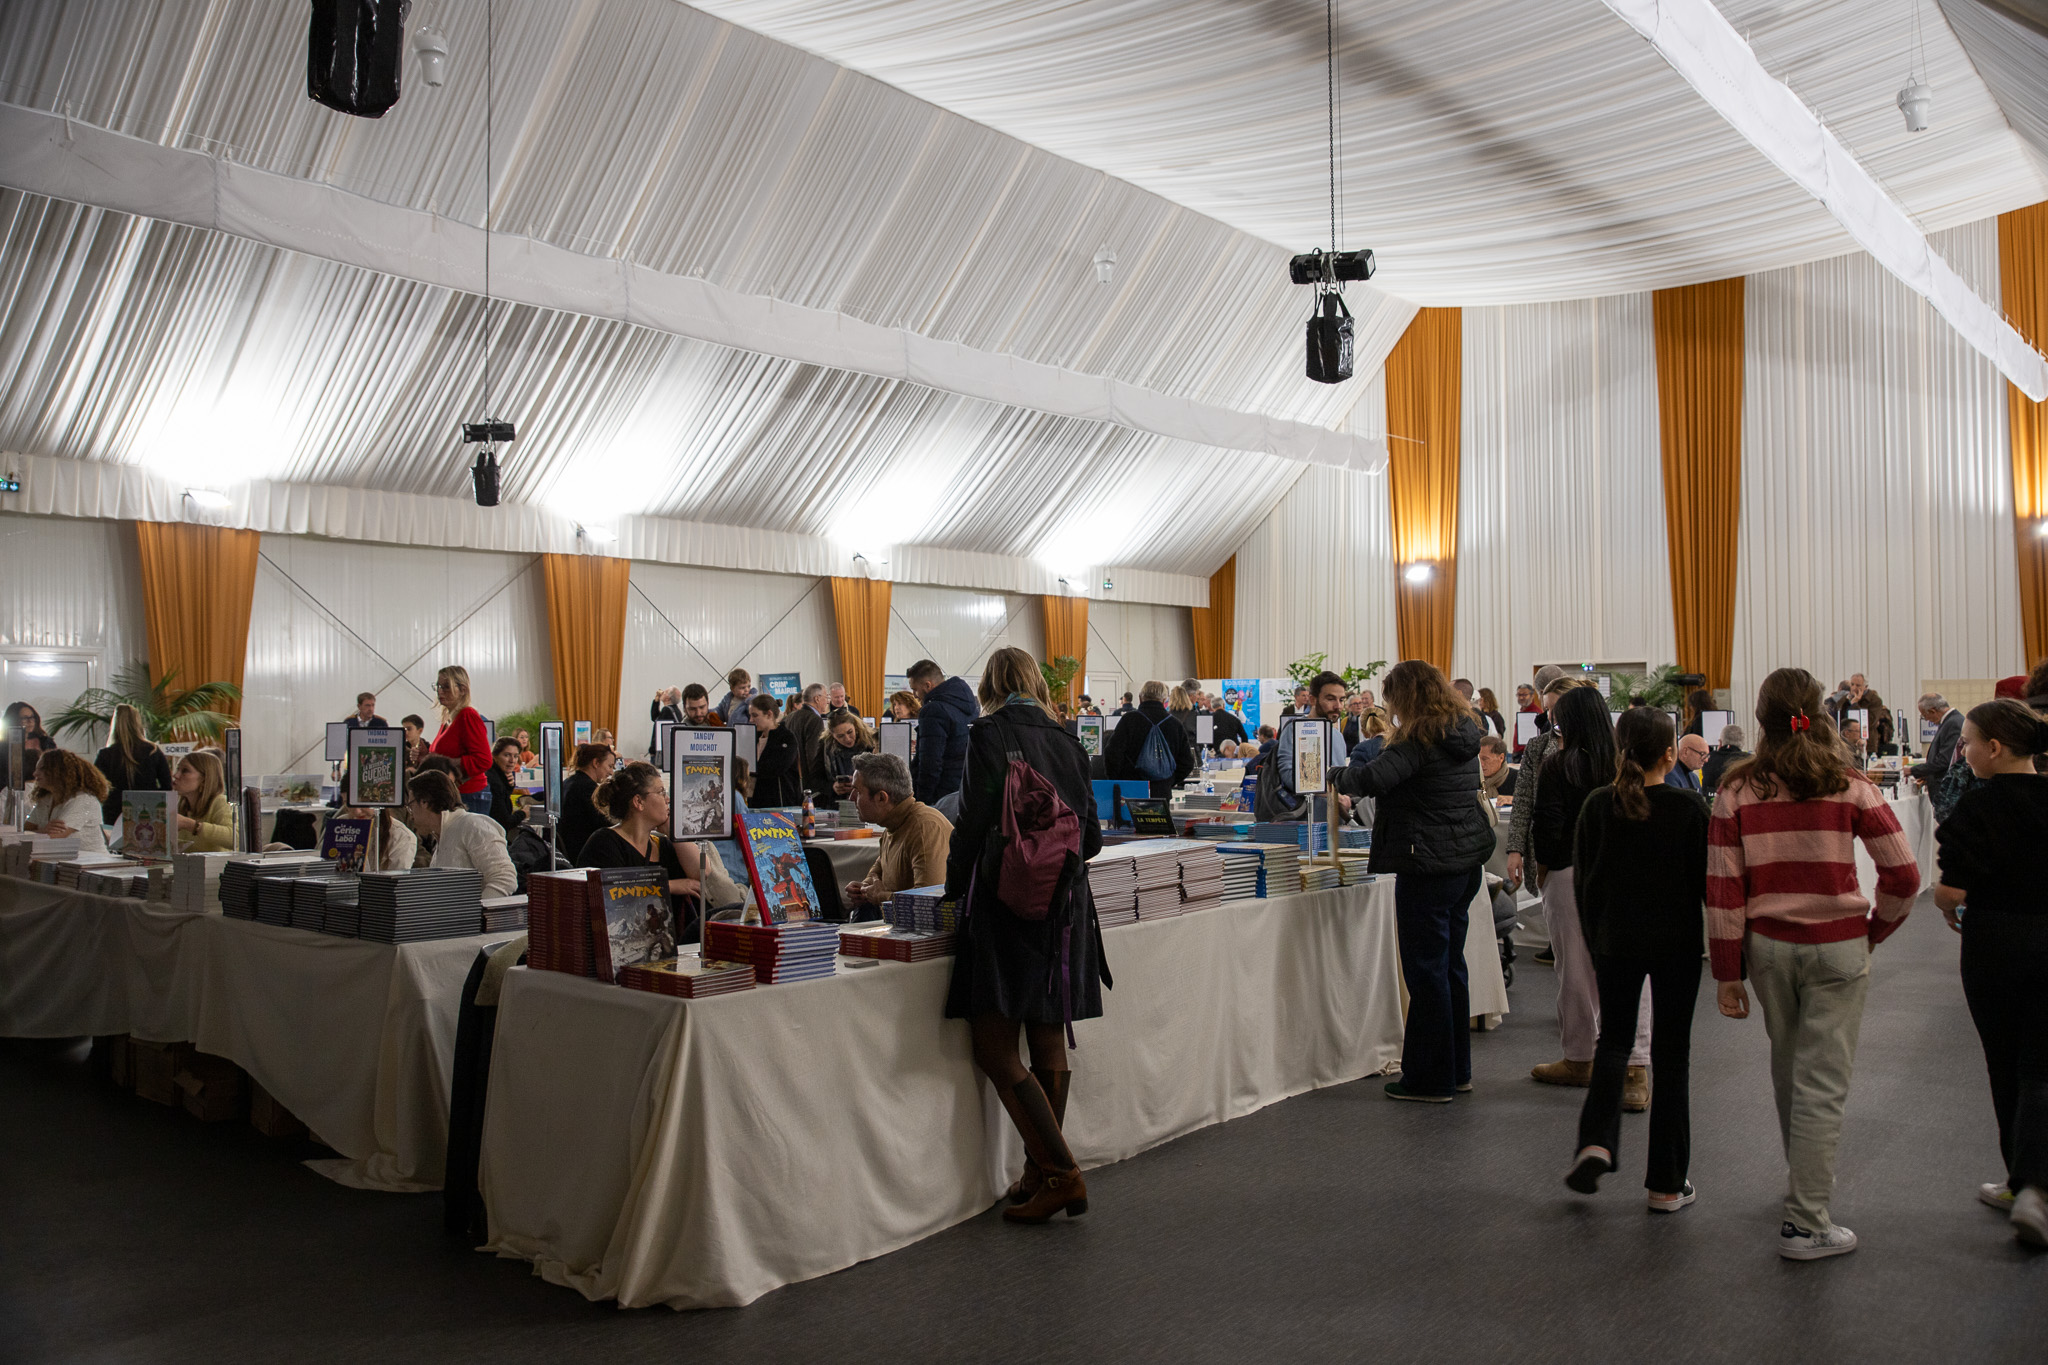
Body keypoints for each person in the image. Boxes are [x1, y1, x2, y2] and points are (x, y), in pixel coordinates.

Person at [1709, 667, 1919, 1261]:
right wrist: (1875, 930)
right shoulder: (1851, 785)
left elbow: (1724, 889)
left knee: (1788, 1066)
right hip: (1840, 945)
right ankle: (1806, 1222)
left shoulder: (1736, 790)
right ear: (1819, 715)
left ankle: (1800, 1186)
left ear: (1760, 718)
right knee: (1824, 1080)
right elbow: (1903, 873)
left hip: (1769, 950)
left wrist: (1727, 972)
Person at [943, 646, 1104, 1223]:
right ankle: (1041, 1172)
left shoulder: (988, 734)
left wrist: (952, 887)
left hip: (1008, 901)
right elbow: (1092, 838)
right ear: (1036, 682)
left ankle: (1061, 1173)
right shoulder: (1068, 739)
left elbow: (973, 822)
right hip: (1066, 902)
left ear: (989, 683)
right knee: (1047, 1038)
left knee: (993, 1046)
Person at [1564, 708, 1708, 1210]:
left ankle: (1596, 1142)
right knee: (1672, 1057)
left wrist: (1595, 940)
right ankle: (1666, 1184)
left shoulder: (1597, 807)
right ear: (1671, 753)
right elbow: (1707, 886)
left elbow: (1585, 887)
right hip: (1676, 945)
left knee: (1613, 1044)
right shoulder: (1690, 809)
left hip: (1614, 943)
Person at [1332, 660, 1492, 1101]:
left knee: (1425, 974)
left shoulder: (1419, 738)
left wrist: (1336, 776)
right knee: (1450, 967)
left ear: (1406, 697)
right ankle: (1457, 1070)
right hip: (1463, 864)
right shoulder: (1462, 730)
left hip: (1426, 865)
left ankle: (1429, 1078)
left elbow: (1371, 779)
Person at [1933, 699, 2048, 1246]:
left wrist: (1946, 904)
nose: (1965, 749)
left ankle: (2022, 1180)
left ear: (1994, 749)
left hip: (1995, 944)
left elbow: (1951, 891)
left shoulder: (1976, 809)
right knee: (2041, 1063)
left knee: (2004, 1061)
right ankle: (2034, 1184)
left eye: (1969, 741)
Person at [1533, 684, 1654, 1108]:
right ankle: (1635, 1069)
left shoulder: (1558, 765)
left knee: (1575, 971)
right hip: (1625, 875)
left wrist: (1543, 870)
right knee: (1630, 972)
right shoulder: (1630, 765)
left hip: (1569, 873)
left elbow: (1546, 828)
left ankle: (1580, 1056)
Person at [577, 759, 705, 943]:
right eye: (661, 792)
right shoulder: (604, 843)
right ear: (639, 802)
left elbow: (702, 871)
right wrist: (671, 886)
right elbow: (614, 896)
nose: (667, 799)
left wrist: (673, 833)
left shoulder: (661, 844)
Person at [844, 752, 952, 908]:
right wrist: (865, 887)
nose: (851, 798)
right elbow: (879, 870)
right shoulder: (893, 823)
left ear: (882, 798)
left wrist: (881, 897)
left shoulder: (924, 828)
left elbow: (930, 901)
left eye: (858, 792)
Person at [1505, 666, 1573, 895]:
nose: (1551, 716)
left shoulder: (1594, 748)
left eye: (1556, 708)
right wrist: (1515, 849)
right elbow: (1523, 800)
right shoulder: (1538, 746)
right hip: (1543, 851)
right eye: (1547, 709)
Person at [404, 770, 517, 897]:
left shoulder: (473, 825)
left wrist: (476, 914)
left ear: (424, 802)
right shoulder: (442, 837)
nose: (410, 814)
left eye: (410, 805)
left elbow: (505, 879)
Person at [1271, 672, 1350, 818]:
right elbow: (1289, 775)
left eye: (1341, 700)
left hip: (1335, 822)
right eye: (1330, 699)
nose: (1338, 706)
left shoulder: (1338, 736)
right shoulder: (1295, 729)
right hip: (1305, 820)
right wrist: (1327, 793)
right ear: (1313, 700)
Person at [1104, 680, 1195, 800]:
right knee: (1157, 819)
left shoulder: (1129, 721)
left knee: (1129, 818)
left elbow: (1112, 754)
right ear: (1164, 700)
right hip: (1161, 792)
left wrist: (1120, 779)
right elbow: (1187, 762)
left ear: (1140, 697)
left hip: (1130, 790)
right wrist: (1169, 781)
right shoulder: (1174, 724)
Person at [92, 703, 172, 825]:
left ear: (115, 724)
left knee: (117, 844)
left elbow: (95, 787)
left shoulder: (105, 754)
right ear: (137, 722)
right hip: (148, 810)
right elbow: (167, 786)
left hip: (114, 813)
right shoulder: (153, 751)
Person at [908, 658, 976, 805]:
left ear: (927, 685)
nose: (914, 695)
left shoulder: (933, 710)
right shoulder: (970, 705)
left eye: (915, 689)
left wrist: (921, 801)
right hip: (965, 788)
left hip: (940, 794)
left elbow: (930, 762)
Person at [428, 666, 493, 815]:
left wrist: (448, 764)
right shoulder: (449, 719)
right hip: (455, 792)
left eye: (446, 687)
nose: (440, 691)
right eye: (438, 686)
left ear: (462, 689)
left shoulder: (468, 715)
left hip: (469, 794)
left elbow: (484, 760)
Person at [25, 749, 111, 854]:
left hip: (90, 864)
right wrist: (42, 831)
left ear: (59, 771)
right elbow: (25, 829)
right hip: (62, 861)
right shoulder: (47, 799)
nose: (35, 774)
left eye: (42, 769)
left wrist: (35, 833)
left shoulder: (83, 800)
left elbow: (56, 837)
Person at [558, 742, 616, 860]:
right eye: (610, 766)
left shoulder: (569, 782)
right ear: (596, 763)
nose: (611, 772)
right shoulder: (588, 789)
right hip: (582, 852)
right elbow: (604, 823)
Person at [746, 692, 805, 807]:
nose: (751, 720)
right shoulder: (753, 738)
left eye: (755, 715)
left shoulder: (787, 738)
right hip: (757, 801)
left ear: (769, 714)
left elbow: (775, 768)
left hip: (781, 802)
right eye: (750, 716)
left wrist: (750, 769)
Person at [170, 750, 234, 852]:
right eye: (178, 769)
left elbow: (235, 839)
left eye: (185, 771)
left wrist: (191, 825)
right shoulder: (180, 805)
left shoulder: (221, 802)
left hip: (216, 866)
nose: (175, 775)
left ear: (204, 779)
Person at [812, 709, 874, 803]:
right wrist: (832, 786)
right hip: (837, 803)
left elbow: (882, 778)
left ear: (856, 727)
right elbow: (815, 778)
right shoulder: (826, 746)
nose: (847, 739)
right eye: (840, 736)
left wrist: (861, 785)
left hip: (867, 801)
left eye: (850, 732)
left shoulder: (871, 743)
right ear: (833, 735)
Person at [1908, 692, 1963, 790]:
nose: (1927, 719)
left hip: (1946, 787)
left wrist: (1912, 770)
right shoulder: (1950, 721)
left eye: (1925, 715)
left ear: (1932, 711)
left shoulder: (1953, 723)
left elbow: (1945, 760)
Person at [344, 805, 417, 871]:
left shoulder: (401, 836)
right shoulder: (340, 825)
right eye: (349, 804)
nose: (357, 811)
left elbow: (394, 881)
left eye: (364, 804)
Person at [785, 684, 831, 791]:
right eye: (826, 697)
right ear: (817, 699)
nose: (827, 702)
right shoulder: (814, 720)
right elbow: (813, 755)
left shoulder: (789, 717)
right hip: (808, 783)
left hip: (792, 779)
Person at [486, 736, 524, 830]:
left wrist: (508, 786)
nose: (512, 761)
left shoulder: (496, 775)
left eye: (515, 756)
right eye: (507, 755)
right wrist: (524, 813)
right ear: (495, 756)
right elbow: (505, 822)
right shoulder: (494, 781)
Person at [1701, 725, 1749, 797]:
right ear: (1742, 744)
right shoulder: (1749, 761)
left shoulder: (1707, 759)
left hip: (1711, 804)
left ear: (1720, 743)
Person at [1479, 732, 1516, 801]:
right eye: (1478, 759)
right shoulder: (1473, 781)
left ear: (1501, 758)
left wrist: (1515, 800)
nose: (1481, 764)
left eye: (1485, 759)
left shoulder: (1517, 779)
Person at [648, 687, 683, 759]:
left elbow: (659, 729)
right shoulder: (676, 711)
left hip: (661, 753)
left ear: (667, 698)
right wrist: (656, 700)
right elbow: (655, 717)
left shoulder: (667, 710)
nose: (662, 692)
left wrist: (653, 750)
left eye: (665, 692)